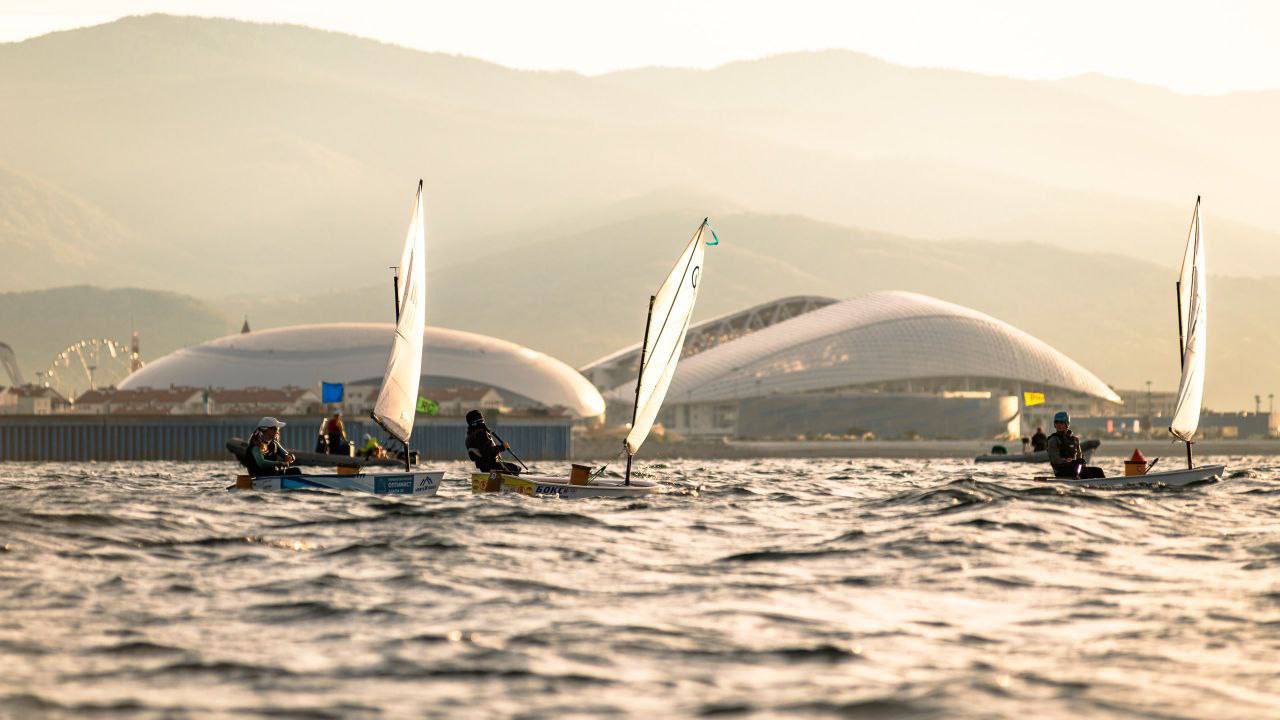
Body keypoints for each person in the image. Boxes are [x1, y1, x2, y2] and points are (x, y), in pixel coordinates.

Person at [1044, 411, 1104, 479]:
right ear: (1054, 424)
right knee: (1092, 470)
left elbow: (1079, 457)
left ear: (1067, 424)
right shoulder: (1053, 440)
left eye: (1061, 422)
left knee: (1098, 471)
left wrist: (1081, 462)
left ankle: (1103, 485)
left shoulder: (1075, 440)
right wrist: (1070, 461)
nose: (1059, 425)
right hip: (1061, 471)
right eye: (1056, 422)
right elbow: (1055, 460)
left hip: (1075, 469)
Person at [466, 409, 520, 475]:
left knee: (512, 467)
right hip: (492, 467)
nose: (483, 422)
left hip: (484, 469)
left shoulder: (469, 437)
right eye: (482, 420)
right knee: (516, 468)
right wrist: (502, 447)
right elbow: (488, 452)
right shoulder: (481, 433)